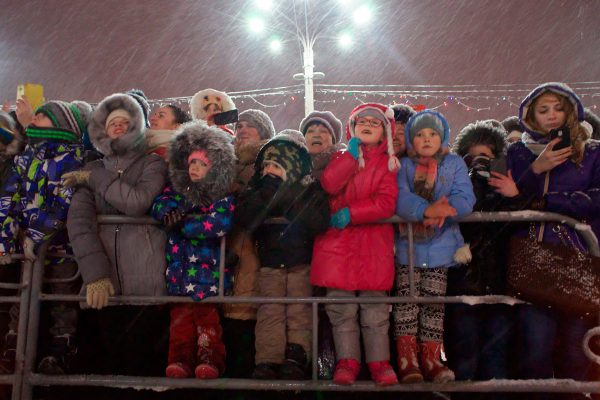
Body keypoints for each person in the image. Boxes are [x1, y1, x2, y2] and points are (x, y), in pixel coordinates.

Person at [506, 82, 600, 399]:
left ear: (571, 111)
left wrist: (547, 203)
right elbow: (507, 199)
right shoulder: (518, 153)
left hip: (579, 257)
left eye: (558, 108)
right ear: (530, 115)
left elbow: (595, 199)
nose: (551, 116)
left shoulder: (593, 152)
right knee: (535, 348)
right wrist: (535, 169)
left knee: (577, 351)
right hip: (533, 259)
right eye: (543, 110)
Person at [65, 93, 168, 376]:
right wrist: (96, 274)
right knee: (105, 368)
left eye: (125, 121)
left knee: (144, 368)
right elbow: (79, 224)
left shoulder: (152, 165)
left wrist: (95, 179)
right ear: (102, 129)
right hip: (103, 285)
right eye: (113, 122)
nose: (119, 126)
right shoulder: (91, 169)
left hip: (145, 280)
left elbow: (137, 203)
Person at [311, 103, 400, 386]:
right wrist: (349, 158)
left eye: (375, 123)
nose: (368, 125)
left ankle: (379, 363)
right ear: (352, 127)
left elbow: (386, 203)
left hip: (373, 246)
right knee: (341, 310)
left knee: (374, 310)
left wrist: (352, 213)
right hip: (339, 247)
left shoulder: (388, 163)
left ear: (384, 131)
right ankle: (347, 361)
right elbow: (329, 184)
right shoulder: (341, 156)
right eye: (362, 121)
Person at [0, 100, 91, 374]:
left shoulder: (74, 160)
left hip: (61, 248)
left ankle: (60, 350)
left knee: (62, 299)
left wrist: (37, 235)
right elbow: (9, 196)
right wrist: (5, 237)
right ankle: (14, 346)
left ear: (63, 124)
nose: (36, 117)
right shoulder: (25, 158)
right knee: (23, 295)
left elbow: (63, 203)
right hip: (26, 249)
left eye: (44, 115)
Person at [445, 120, 529, 399]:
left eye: (488, 157)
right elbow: (459, 223)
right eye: (472, 156)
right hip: (463, 282)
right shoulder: (455, 184)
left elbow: (518, 226)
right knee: (464, 351)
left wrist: (513, 196)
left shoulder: (508, 185)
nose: (480, 162)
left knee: (496, 353)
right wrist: (470, 182)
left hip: (501, 282)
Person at [235, 132, 329, 380]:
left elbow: (318, 222)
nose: (269, 171)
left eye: (276, 166)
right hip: (270, 263)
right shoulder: (256, 189)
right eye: (265, 165)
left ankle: (297, 355)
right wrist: (267, 193)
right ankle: (268, 358)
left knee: (299, 312)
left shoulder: (308, 190)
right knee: (270, 311)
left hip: (300, 262)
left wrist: (287, 197)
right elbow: (245, 217)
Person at [393, 110, 475, 384]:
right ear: (410, 139)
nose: (426, 139)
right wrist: (426, 210)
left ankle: (431, 358)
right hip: (409, 248)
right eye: (419, 134)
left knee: (433, 306)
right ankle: (407, 360)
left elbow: (465, 196)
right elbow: (400, 198)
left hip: (441, 248)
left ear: (443, 138)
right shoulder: (403, 166)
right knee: (406, 304)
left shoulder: (454, 164)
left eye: (432, 134)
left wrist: (446, 210)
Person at [151, 121, 236, 379]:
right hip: (180, 274)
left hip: (208, 276)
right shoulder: (177, 193)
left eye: (201, 164)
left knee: (207, 323)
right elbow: (159, 205)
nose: (195, 168)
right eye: (191, 164)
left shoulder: (221, 196)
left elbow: (218, 223)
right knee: (180, 324)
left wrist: (183, 224)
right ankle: (179, 360)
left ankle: (210, 359)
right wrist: (167, 214)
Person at [221, 108, 276, 378]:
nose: (241, 129)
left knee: (247, 318)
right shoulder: (226, 161)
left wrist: (240, 191)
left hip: (254, 249)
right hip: (230, 249)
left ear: (263, 132)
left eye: (249, 126)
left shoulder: (268, 160)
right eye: (239, 125)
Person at [298, 110, 346, 179]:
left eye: (323, 131)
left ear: (333, 140)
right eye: (310, 131)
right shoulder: (290, 168)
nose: (316, 135)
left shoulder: (347, 166)